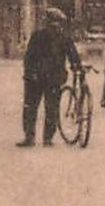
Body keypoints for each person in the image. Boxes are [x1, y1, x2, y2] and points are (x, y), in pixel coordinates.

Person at [19, 8, 82, 147]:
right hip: (54, 77)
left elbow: (29, 57)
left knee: (30, 107)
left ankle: (29, 138)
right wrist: (78, 68)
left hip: (36, 77)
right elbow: (73, 57)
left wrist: (29, 73)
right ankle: (47, 139)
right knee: (52, 107)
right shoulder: (64, 37)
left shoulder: (38, 35)